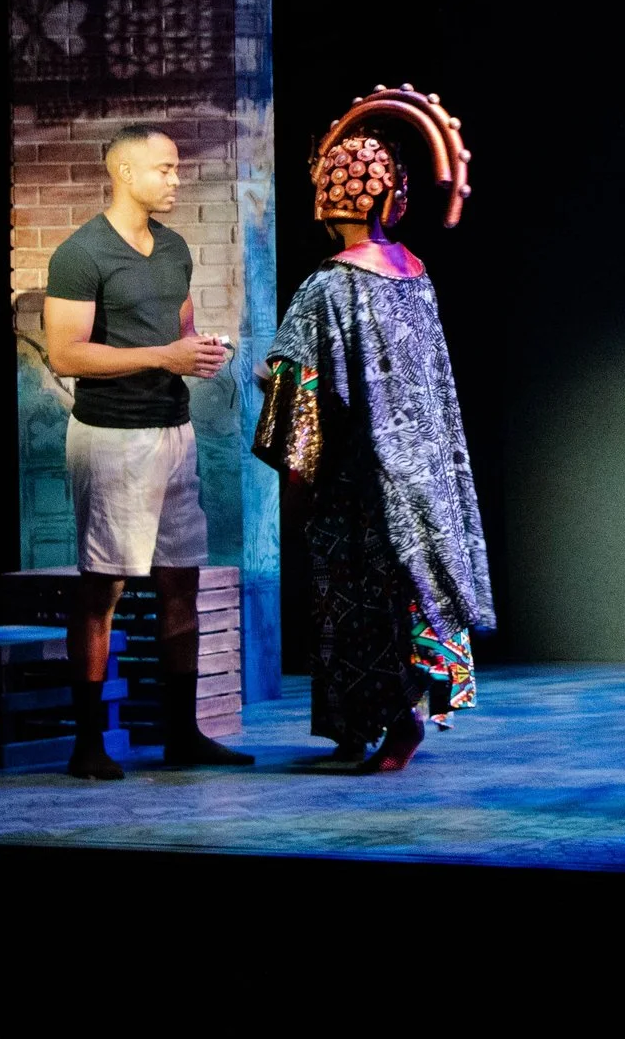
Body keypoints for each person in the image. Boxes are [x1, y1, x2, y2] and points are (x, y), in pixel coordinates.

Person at [258, 86, 493, 772]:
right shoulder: (415, 274)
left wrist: (293, 468)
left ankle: (395, 720)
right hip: (421, 475)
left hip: (358, 483)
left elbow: (298, 384)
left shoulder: (328, 286)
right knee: (401, 592)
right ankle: (363, 722)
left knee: (361, 597)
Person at [43, 123, 252, 779]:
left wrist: (200, 352)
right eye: (164, 168)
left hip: (172, 430)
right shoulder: (81, 253)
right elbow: (65, 353)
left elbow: (179, 332)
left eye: (176, 167)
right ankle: (87, 744)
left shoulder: (174, 247)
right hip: (111, 437)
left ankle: (182, 734)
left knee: (180, 581)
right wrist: (165, 355)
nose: (175, 178)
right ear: (125, 173)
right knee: (101, 588)